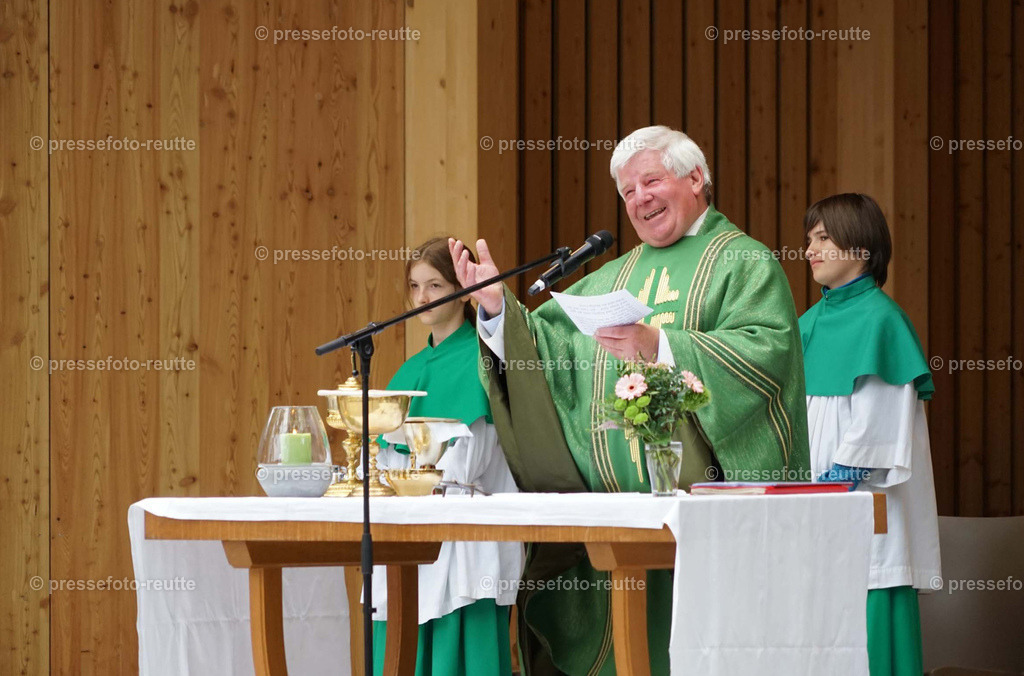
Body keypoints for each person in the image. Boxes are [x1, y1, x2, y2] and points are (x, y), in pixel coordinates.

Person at [449, 126, 810, 675]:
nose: (639, 199)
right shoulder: (611, 278)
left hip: (708, 534)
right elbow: (550, 352)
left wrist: (660, 345)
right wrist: (498, 310)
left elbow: (767, 352)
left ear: (695, 178)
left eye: (651, 181)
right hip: (616, 534)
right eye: (627, 192)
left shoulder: (745, 263)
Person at [800, 193, 941, 676]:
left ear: (860, 249)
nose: (810, 249)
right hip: (813, 508)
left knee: (869, 624)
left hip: (862, 505)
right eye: (809, 239)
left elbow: (878, 428)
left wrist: (833, 486)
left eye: (823, 238)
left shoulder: (882, 320)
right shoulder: (807, 324)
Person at [372, 237, 523, 676]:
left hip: (462, 539)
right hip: (406, 536)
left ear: (462, 287)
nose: (422, 298)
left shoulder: (482, 357)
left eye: (435, 285)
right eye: (415, 286)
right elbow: (386, 461)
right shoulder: (409, 369)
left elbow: (464, 466)